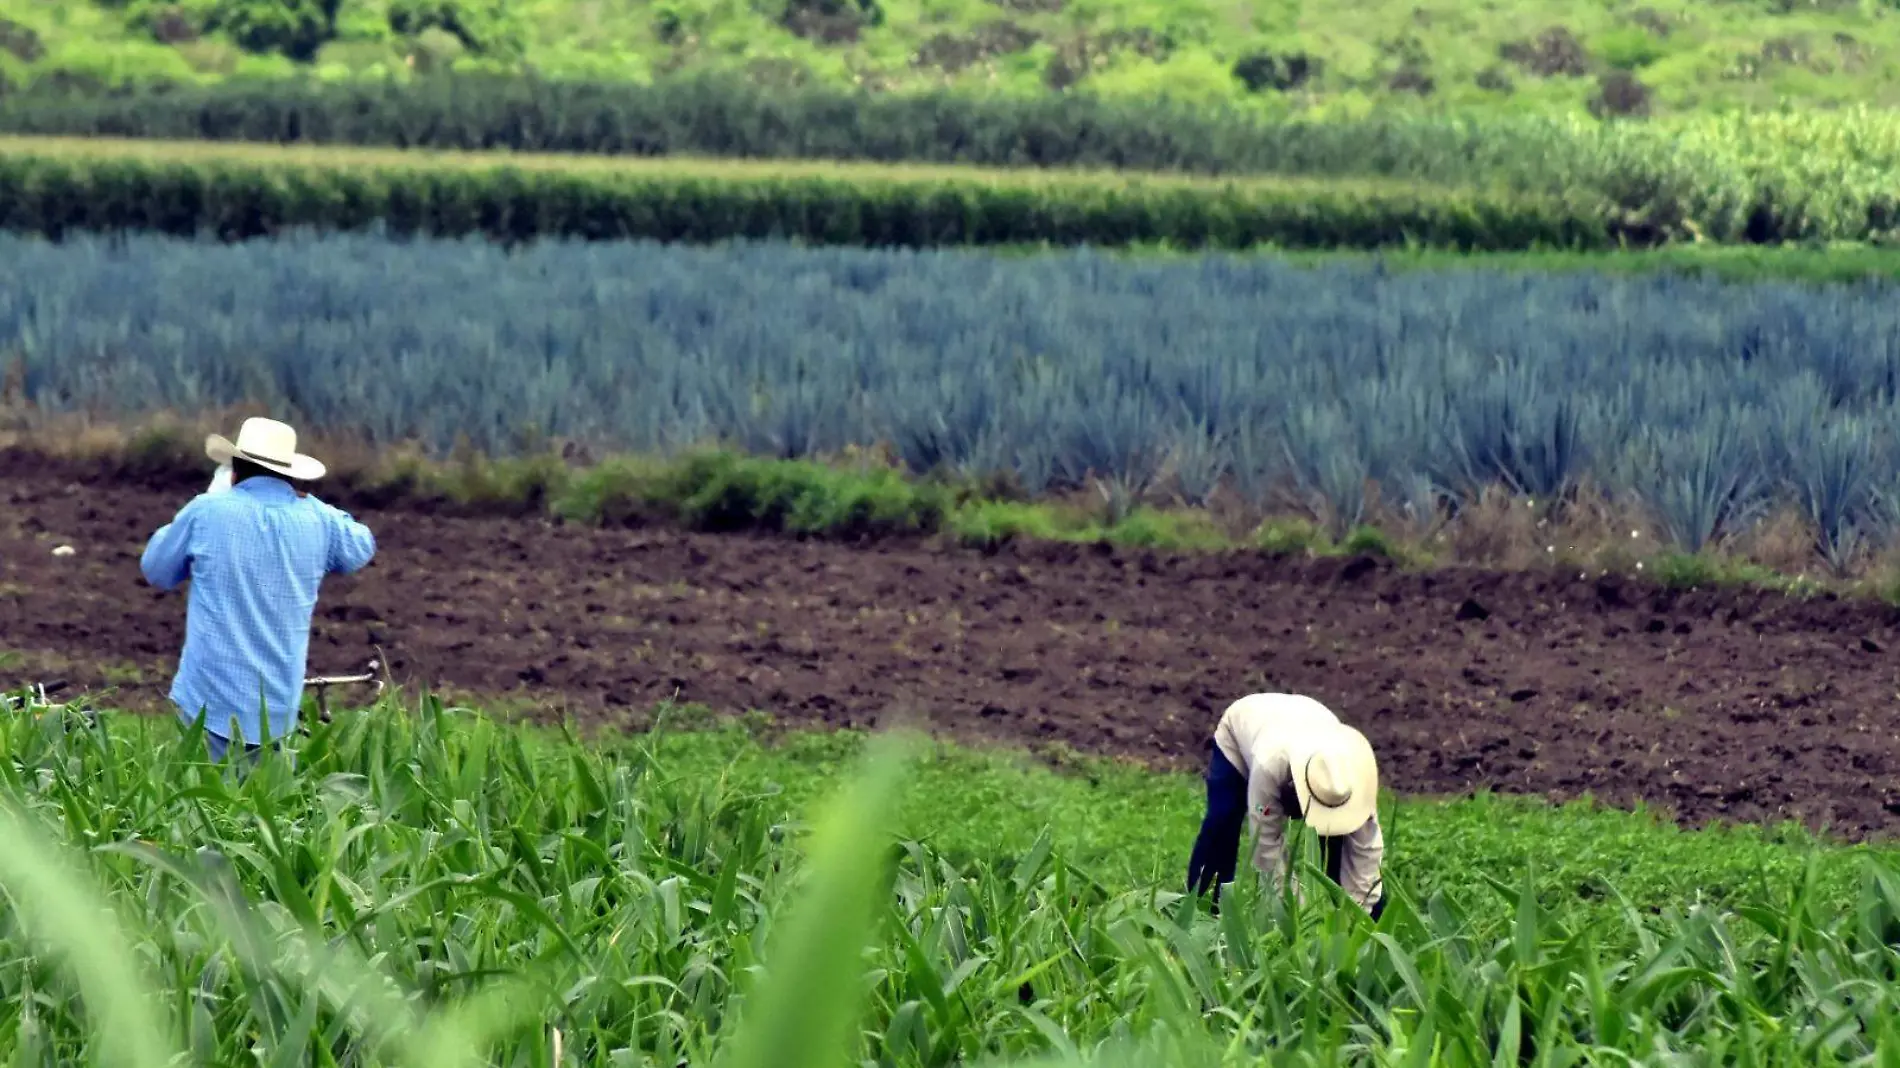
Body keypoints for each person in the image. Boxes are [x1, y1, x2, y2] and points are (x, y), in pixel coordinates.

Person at [139, 418, 377, 764]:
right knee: (268, 808)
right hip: (277, 706)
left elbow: (157, 570)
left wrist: (209, 497)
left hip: (209, 699)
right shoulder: (318, 518)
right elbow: (361, 545)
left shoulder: (207, 510)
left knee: (200, 808)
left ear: (234, 470)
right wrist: (313, 503)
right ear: (291, 474)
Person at [1185, 692, 1385, 919]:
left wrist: (1359, 913)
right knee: (1223, 820)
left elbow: (1367, 850)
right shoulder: (1269, 766)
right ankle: (1201, 911)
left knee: (1340, 841)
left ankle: (1371, 925)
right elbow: (1266, 846)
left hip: (1307, 715)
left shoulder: (1351, 774)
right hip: (1245, 724)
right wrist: (1298, 913)